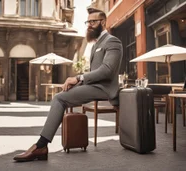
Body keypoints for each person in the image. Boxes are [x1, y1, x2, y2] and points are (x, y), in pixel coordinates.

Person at [13, 8, 123, 162]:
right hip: (94, 86)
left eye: (93, 21)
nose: (89, 25)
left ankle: (41, 146)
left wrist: (78, 78)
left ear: (103, 22)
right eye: (88, 22)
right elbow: (96, 71)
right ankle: (42, 146)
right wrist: (79, 81)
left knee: (59, 98)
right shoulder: (96, 43)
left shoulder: (112, 41)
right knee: (62, 95)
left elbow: (107, 71)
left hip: (104, 89)